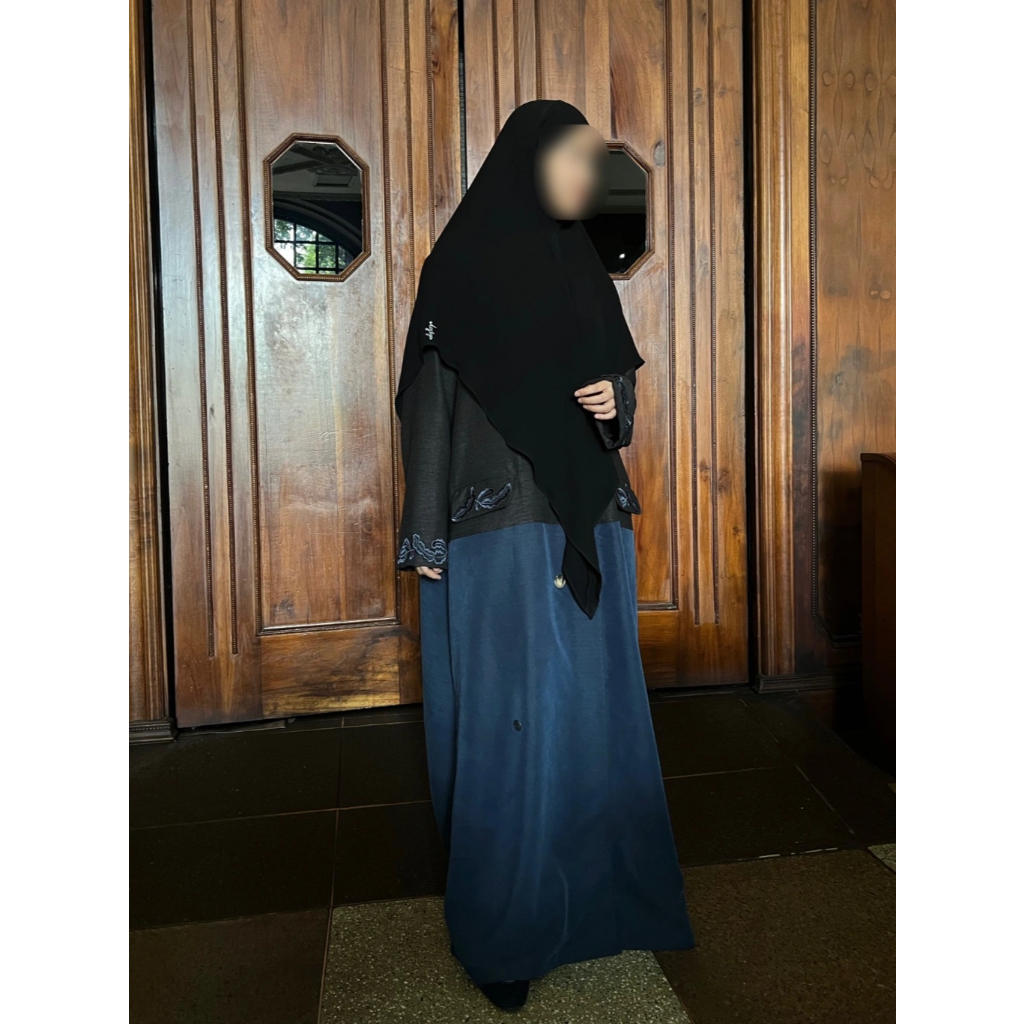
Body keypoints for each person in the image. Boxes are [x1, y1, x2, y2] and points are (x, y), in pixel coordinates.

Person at [394, 99, 695, 1012]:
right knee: (510, 723)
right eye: (569, 158)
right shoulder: (459, 266)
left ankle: (601, 899)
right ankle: (507, 933)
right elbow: (428, 400)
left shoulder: (582, 269)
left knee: (594, 713)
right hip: (498, 523)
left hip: (592, 513)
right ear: (524, 162)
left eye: (591, 162)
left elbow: (617, 380)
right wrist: (426, 527)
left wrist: (614, 400)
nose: (584, 177)